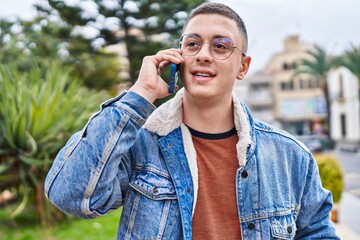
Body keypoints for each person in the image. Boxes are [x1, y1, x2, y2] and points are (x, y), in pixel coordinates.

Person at [45, 2, 339, 239]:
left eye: (221, 46)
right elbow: (69, 195)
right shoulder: (140, 145)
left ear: (243, 67)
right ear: (178, 56)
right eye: (193, 44)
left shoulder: (290, 156)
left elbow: (317, 232)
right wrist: (141, 93)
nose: (204, 55)